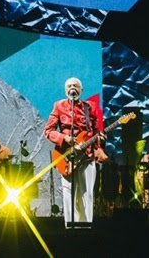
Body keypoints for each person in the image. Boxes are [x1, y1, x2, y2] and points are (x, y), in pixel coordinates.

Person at [44, 77, 106, 227]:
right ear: (66, 90)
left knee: (87, 195)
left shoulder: (90, 107)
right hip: (67, 156)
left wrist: (100, 142)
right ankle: (70, 228)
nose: (73, 88)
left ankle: (86, 228)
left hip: (87, 156)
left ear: (81, 90)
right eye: (70, 86)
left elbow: (97, 131)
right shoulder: (58, 106)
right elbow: (48, 131)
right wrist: (64, 138)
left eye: (76, 86)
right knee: (68, 194)